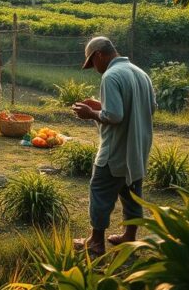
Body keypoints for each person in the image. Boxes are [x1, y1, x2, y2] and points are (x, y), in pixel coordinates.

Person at [72, 36, 156, 257]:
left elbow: (115, 116)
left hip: (115, 150)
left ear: (99, 55)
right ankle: (129, 236)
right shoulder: (140, 73)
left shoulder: (111, 76)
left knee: (99, 191)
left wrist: (91, 113)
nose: (94, 68)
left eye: (92, 62)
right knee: (132, 193)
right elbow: (148, 107)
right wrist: (102, 106)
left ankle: (96, 242)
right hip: (137, 149)